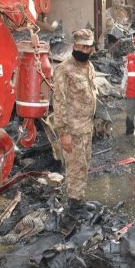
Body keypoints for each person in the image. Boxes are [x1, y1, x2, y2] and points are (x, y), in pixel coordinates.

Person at [53, 29, 98, 207]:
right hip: (73, 130)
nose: (83, 50)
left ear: (92, 49)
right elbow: (59, 102)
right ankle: (74, 205)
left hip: (87, 127)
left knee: (84, 165)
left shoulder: (89, 67)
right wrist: (64, 133)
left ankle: (79, 198)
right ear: (74, 46)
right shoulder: (63, 69)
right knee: (75, 168)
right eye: (79, 46)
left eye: (87, 47)